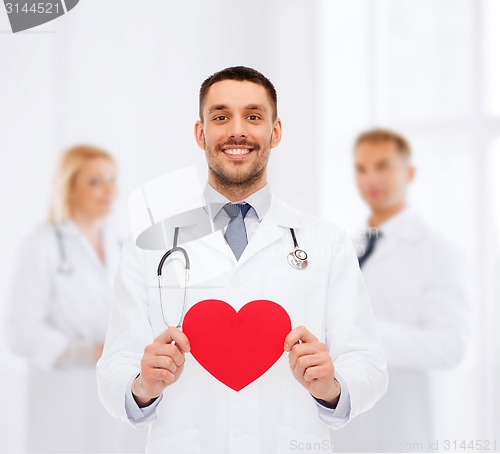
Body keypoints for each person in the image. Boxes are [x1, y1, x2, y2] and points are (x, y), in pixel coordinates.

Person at [97, 66, 388, 454]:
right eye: (220, 117)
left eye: (253, 116)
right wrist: (142, 386)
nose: (237, 131)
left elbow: (367, 361)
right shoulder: (149, 243)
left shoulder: (326, 242)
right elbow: (115, 363)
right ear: (201, 134)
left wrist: (332, 387)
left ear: (275, 131)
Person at [332, 129, 470, 452]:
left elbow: (451, 345)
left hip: (402, 427)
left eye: (383, 166)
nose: (371, 179)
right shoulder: (350, 247)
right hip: (348, 424)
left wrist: (363, 334)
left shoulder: (439, 252)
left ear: (409, 173)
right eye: (361, 169)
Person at [3, 145, 147, 453]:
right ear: (68, 189)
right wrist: (84, 352)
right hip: (62, 397)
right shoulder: (40, 245)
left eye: (112, 180)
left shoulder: (120, 245)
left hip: (111, 394)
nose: (109, 190)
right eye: (95, 182)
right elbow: (20, 333)